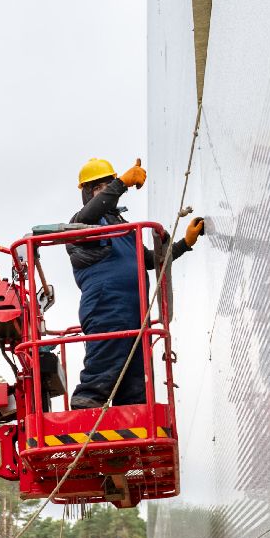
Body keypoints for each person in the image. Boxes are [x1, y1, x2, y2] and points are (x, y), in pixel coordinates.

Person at [67, 157, 206, 408]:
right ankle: (85, 409)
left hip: (134, 311)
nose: (106, 192)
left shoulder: (124, 229)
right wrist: (121, 183)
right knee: (103, 366)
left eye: (108, 185)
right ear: (88, 193)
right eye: (99, 188)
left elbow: (151, 261)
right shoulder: (81, 224)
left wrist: (185, 244)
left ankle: (131, 417)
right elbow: (89, 214)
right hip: (106, 307)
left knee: (134, 384)